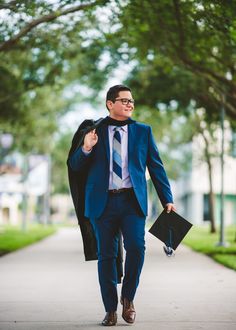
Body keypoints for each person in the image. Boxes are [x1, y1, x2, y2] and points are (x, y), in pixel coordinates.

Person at [69, 84, 176, 326]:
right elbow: (75, 166)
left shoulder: (143, 131)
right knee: (106, 256)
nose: (129, 104)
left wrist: (167, 199)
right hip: (101, 203)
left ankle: (128, 299)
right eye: (124, 100)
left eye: (131, 101)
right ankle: (110, 310)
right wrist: (86, 147)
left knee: (137, 248)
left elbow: (156, 167)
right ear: (110, 103)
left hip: (132, 201)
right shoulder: (93, 131)